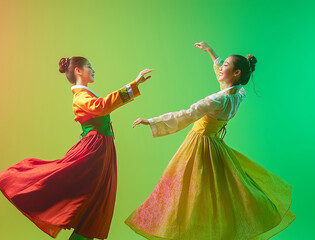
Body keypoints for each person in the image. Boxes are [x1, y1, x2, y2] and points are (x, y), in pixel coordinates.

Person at [125, 42, 295, 239]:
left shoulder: (217, 100)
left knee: (186, 194)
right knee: (218, 196)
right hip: (216, 147)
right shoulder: (239, 94)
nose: (221, 68)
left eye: (226, 66)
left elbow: (186, 115)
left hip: (198, 146)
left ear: (237, 72)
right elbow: (225, 82)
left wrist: (151, 121)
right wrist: (211, 52)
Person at [0, 56, 153, 240]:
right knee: (91, 204)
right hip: (94, 152)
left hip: (103, 150)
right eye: (89, 67)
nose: (93, 70)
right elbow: (102, 107)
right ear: (78, 71)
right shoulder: (80, 97)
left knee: (95, 206)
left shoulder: (86, 94)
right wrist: (132, 85)